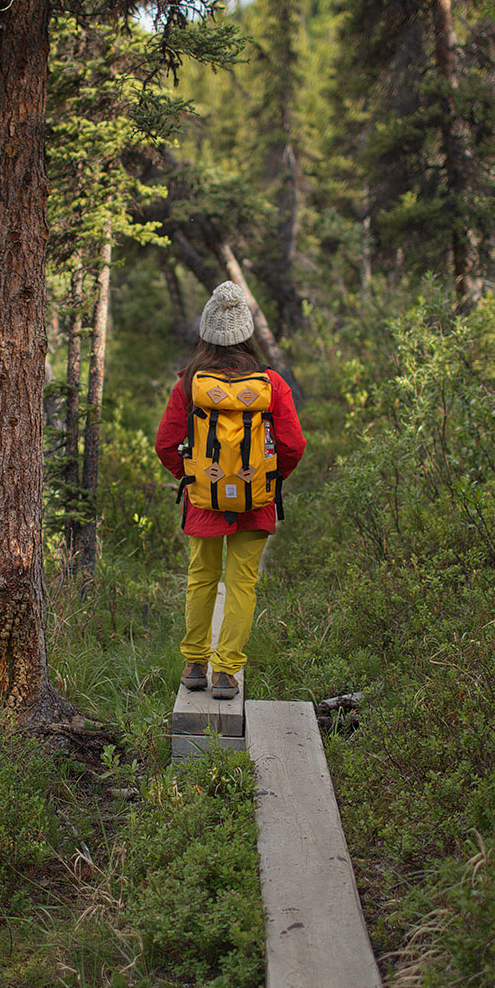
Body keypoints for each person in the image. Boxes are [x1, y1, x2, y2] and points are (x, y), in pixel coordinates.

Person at [154, 281, 306, 700]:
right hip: (255, 503)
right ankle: (225, 672)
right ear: (246, 334)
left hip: (204, 500)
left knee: (202, 578)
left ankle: (194, 664)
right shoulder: (271, 384)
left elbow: (166, 444)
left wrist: (196, 478)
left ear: (207, 332)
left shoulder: (188, 383)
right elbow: (293, 445)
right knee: (242, 583)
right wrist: (265, 479)